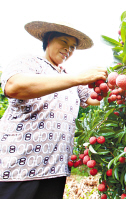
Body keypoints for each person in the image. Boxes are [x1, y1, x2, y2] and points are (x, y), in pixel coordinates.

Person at [0, 21, 107, 199]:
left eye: (72, 46)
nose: (68, 49)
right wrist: (78, 78)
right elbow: (14, 86)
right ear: (48, 39)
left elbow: (98, 98)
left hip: (54, 172)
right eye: (64, 42)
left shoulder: (68, 79)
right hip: (18, 170)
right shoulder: (29, 62)